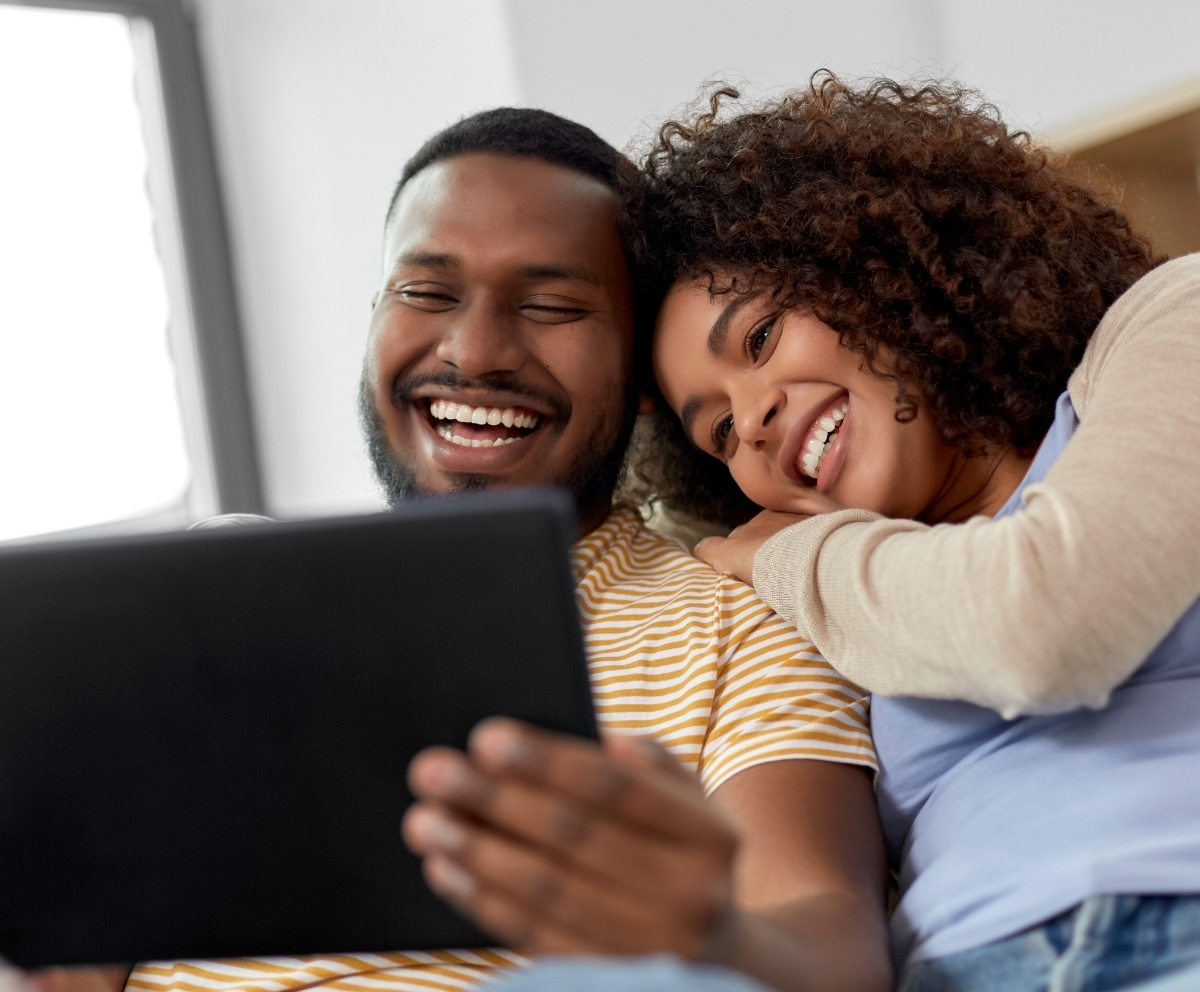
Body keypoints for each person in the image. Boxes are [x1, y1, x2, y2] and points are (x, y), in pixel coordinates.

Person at [118, 109, 889, 992]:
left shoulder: (736, 623)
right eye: (425, 293)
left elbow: (835, 947)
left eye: (552, 306)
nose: (475, 352)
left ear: (643, 380)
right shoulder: (217, 599)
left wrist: (708, 932)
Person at [620, 76, 1200, 990]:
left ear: (870, 264)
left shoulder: (1167, 321)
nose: (756, 420)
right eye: (720, 432)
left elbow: (1044, 623)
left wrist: (783, 548)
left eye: (763, 335)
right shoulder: (836, 609)